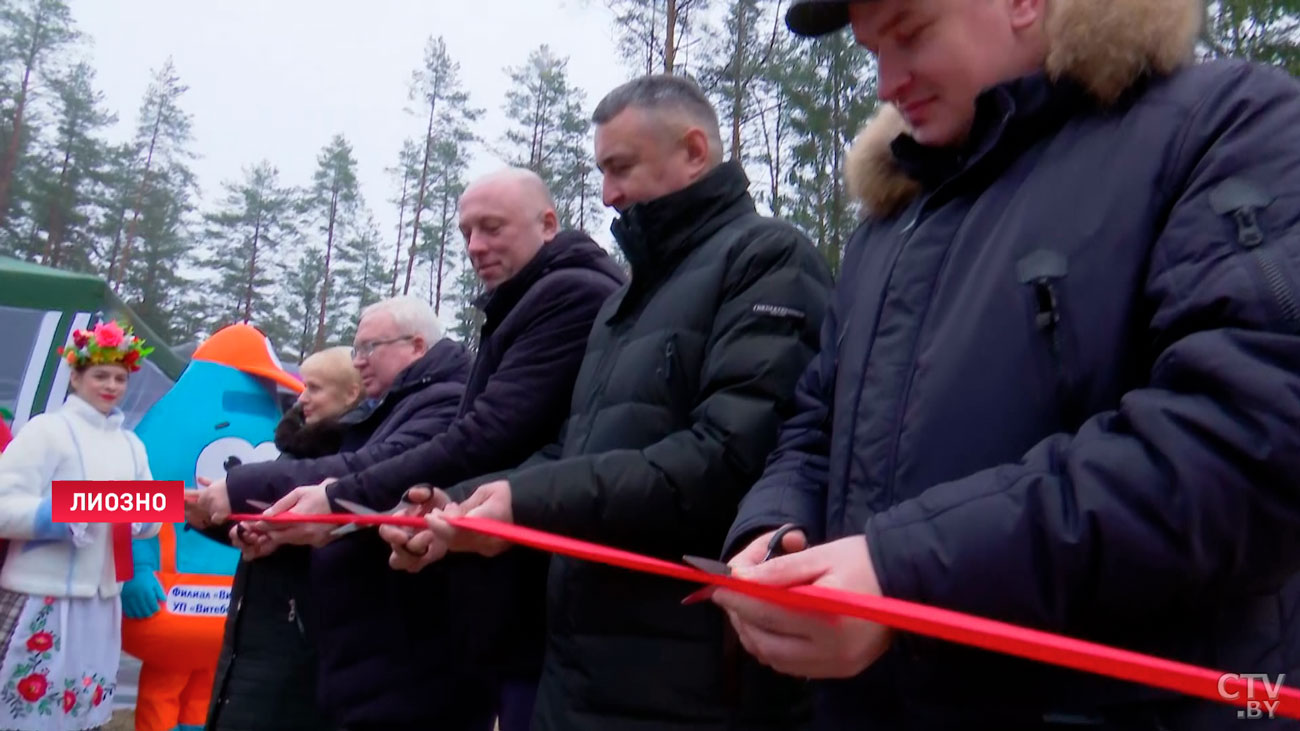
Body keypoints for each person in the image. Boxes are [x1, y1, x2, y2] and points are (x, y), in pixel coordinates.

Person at [711, 0, 1300, 729]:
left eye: (910, 36)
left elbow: (1245, 440)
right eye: (871, 53)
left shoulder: (1229, 126)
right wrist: (774, 530)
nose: (886, 83)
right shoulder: (890, 219)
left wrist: (905, 573)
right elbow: (814, 420)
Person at [383, 74, 835, 731]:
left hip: (693, 683)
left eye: (620, 167)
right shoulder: (626, 300)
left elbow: (728, 457)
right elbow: (578, 449)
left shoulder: (769, 259)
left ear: (694, 151)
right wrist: (461, 503)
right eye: (601, 170)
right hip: (578, 672)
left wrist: (522, 501)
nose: (607, 193)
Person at [259, 167, 624, 731]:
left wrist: (337, 498)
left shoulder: (568, 295)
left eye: (492, 228)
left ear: (548, 223)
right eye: (466, 232)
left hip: (536, 603)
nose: (476, 247)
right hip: (501, 598)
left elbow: (487, 436)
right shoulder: (524, 302)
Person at [186, 296, 470, 727]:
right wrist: (256, 526)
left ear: (416, 346)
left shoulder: (438, 406)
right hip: (321, 651)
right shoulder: (383, 416)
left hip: (370, 655)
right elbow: (343, 510)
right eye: (356, 350)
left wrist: (242, 490)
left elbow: (366, 483)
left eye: (368, 348)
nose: (359, 361)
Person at [0, 321, 161, 730]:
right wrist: (60, 515)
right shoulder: (46, 430)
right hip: (42, 595)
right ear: (75, 377)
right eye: (100, 375)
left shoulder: (131, 444)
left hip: (101, 599)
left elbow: (149, 518)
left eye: (120, 378)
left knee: (78, 713)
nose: (111, 386)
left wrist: (144, 516)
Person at [201, 346, 362, 731]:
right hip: (259, 628)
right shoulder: (294, 452)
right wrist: (226, 525)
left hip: (300, 637)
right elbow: (271, 524)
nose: (302, 397)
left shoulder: (354, 459)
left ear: (351, 394)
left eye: (315, 388)